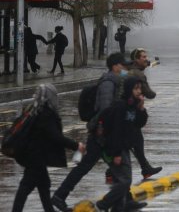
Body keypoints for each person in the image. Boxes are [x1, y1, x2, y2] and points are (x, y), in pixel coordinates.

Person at [52, 52, 141, 212]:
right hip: (101, 135)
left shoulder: (116, 81)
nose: (125, 69)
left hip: (105, 134)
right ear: (115, 67)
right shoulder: (108, 83)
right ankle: (59, 196)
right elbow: (106, 112)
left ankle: (126, 200)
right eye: (123, 66)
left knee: (117, 168)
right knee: (87, 167)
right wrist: (107, 135)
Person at [12, 84, 85, 212]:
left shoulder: (34, 110)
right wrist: (76, 146)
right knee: (26, 186)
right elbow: (55, 137)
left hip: (32, 155)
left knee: (44, 184)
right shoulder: (46, 114)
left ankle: (49, 210)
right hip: (36, 157)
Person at [96, 76, 148, 211]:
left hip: (124, 147)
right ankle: (104, 203)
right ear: (129, 89)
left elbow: (138, 123)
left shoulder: (132, 105)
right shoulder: (121, 106)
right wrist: (116, 153)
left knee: (122, 180)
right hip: (114, 148)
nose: (139, 91)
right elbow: (116, 130)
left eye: (139, 89)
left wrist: (141, 108)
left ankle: (119, 207)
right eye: (136, 88)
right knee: (125, 181)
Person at [128, 48, 162, 178]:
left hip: (127, 110)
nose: (146, 59)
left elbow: (150, 64)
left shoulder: (129, 70)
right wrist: (152, 93)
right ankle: (145, 168)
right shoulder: (138, 74)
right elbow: (149, 93)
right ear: (136, 59)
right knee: (132, 141)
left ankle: (145, 168)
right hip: (131, 112)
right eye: (143, 57)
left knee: (134, 141)